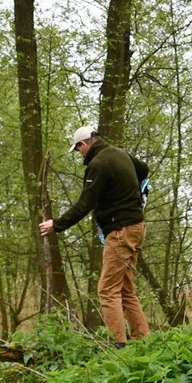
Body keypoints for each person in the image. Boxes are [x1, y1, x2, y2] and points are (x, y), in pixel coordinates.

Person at [39, 126, 150, 346]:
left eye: (78, 149)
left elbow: (84, 204)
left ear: (85, 144)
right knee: (126, 288)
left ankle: (117, 344)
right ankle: (144, 340)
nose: (80, 154)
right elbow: (143, 170)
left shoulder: (98, 165)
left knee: (107, 289)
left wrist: (57, 224)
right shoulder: (120, 154)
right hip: (137, 227)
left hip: (120, 231)